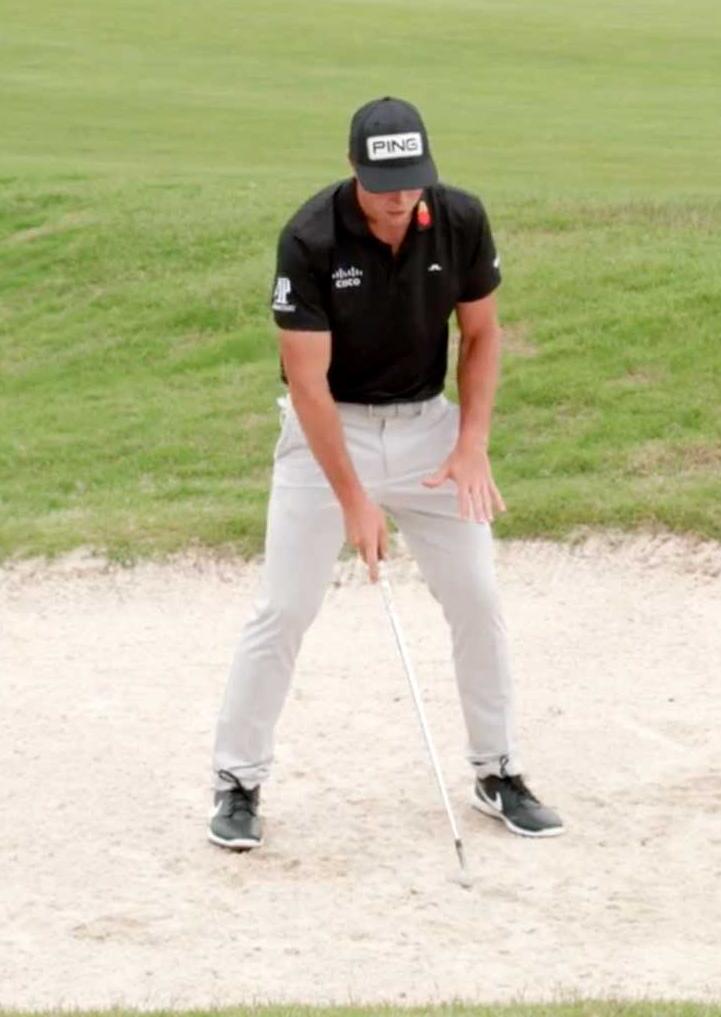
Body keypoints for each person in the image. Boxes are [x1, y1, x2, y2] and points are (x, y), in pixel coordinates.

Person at [207, 96, 564, 850]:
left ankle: (497, 770)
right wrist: (354, 500)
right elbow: (307, 387)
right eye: (384, 183)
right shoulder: (309, 238)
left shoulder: (459, 218)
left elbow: (483, 332)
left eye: (412, 181)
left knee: (477, 596)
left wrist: (472, 443)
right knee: (286, 608)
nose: (401, 198)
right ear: (353, 168)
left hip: (429, 429)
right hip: (328, 433)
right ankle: (238, 782)